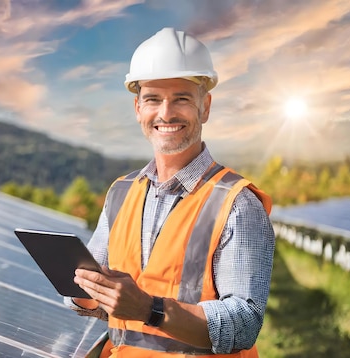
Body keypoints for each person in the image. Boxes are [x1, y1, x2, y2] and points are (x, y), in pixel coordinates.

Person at [65, 27, 275, 357]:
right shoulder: (120, 193)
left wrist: (150, 309)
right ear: (137, 108)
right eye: (153, 99)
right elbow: (94, 298)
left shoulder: (238, 204)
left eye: (181, 99)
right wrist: (83, 291)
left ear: (205, 107)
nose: (165, 113)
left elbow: (244, 324)